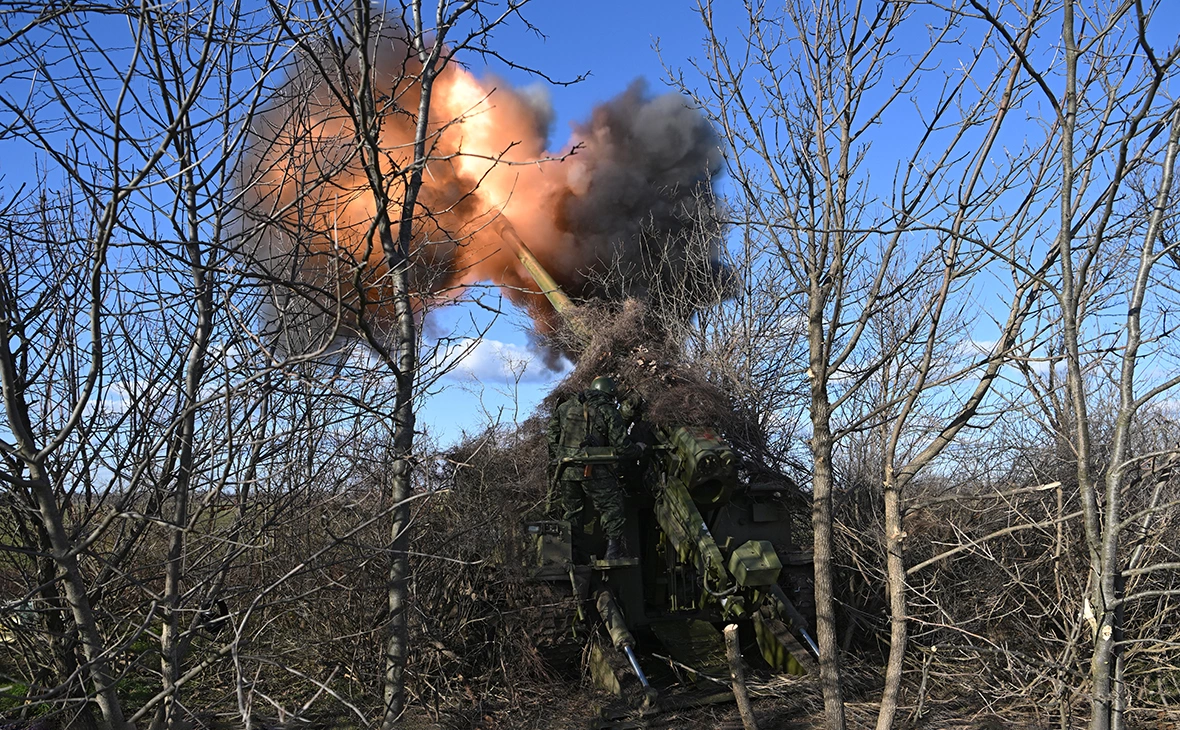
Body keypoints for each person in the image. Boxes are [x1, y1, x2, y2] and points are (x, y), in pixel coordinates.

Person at [547, 375, 641, 561]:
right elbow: (622, 446)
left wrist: (563, 455)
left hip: (566, 470)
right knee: (612, 507)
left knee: (572, 513)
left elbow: (551, 436)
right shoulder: (608, 411)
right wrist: (639, 449)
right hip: (593, 469)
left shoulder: (565, 407)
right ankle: (613, 552)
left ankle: (570, 556)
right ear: (609, 393)